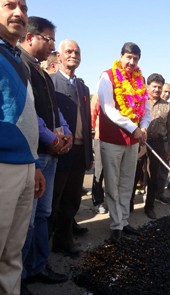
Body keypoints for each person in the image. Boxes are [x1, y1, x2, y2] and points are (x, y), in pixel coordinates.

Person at [19, 16, 72, 287]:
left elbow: (54, 110)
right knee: (25, 221)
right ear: (30, 38)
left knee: (42, 214)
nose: (52, 46)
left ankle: (38, 265)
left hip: (50, 154)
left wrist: (66, 131)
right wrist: (52, 137)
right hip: (33, 154)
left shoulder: (42, 72)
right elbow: (29, 114)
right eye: (48, 39)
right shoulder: (21, 67)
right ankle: (20, 277)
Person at [0, 1, 45, 294]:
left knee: (12, 255)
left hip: (26, 166)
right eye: (9, 5)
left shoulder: (17, 59)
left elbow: (26, 114)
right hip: (3, 167)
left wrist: (36, 165)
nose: (19, 13)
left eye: (24, 7)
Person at [98, 42, 151, 243]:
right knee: (112, 183)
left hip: (133, 141)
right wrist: (133, 128)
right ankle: (116, 225)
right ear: (120, 56)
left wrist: (144, 127)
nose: (131, 62)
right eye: (128, 57)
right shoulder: (107, 76)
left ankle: (125, 221)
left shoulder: (140, 80)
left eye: (135, 59)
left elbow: (146, 110)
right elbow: (108, 109)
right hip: (113, 139)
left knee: (127, 182)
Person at [49, 40, 93, 257]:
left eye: (77, 52)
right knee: (53, 200)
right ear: (59, 55)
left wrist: (89, 152)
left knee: (72, 199)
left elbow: (88, 122)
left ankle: (64, 241)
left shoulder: (83, 87)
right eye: (69, 51)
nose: (73, 55)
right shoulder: (51, 82)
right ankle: (44, 248)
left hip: (79, 151)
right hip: (60, 151)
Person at [145, 73, 170, 219]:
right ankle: (129, 205)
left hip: (157, 143)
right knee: (134, 174)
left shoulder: (167, 107)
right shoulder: (140, 101)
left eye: (160, 87)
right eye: (154, 86)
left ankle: (149, 206)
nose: (157, 89)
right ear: (148, 86)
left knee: (153, 176)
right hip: (140, 142)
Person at [90, 94, 107, 214]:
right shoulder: (98, 96)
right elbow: (91, 117)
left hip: (116, 140)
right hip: (100, 138)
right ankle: (98, 200)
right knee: (99, 171)